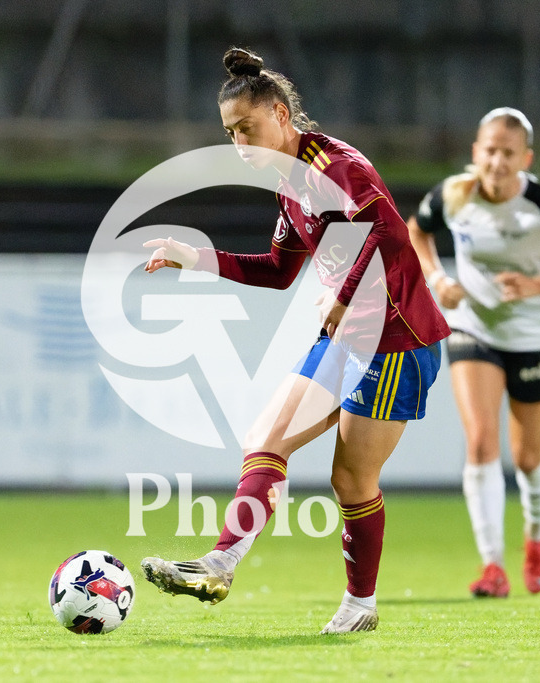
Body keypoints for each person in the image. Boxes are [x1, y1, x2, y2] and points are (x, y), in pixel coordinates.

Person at [140, 47, 451, 633]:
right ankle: (220, 562)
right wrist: (194, 256)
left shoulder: (335, 167)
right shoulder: (291, 186)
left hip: (396, 341)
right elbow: (279, 271)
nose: (239, 144)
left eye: (247, 128)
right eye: (230, 134)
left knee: (351, 480)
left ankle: (360, 606)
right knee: (265, 439)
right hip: (349, 338)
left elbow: (387, 230)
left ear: (281, 115)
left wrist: (345, 293)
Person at [407, 107, 540, 598]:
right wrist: (438, 280)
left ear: (526, 158)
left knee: (527, 456)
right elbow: (415, 230)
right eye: (489, 150)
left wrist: (538, 285)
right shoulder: (456, 194)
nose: (497, 161)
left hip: (536, 336)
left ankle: (537, 539)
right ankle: (492, 566)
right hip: (473, 329)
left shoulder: (539, 205)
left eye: (508, 153)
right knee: (480, 443)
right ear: (476, 152)